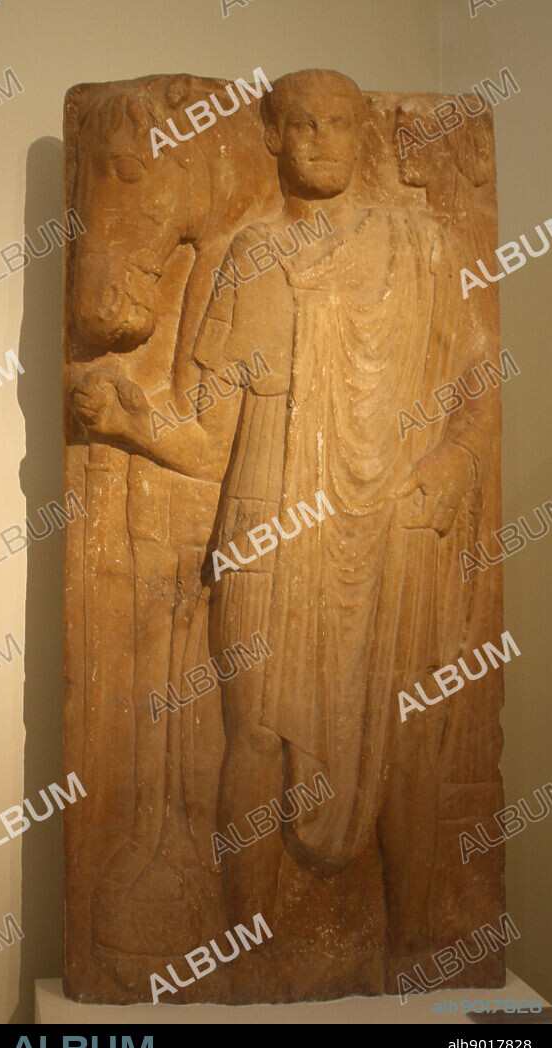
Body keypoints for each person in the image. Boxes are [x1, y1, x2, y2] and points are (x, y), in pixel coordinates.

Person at [73, 69, 488, 945]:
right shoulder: (241, 261)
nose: (321, 142)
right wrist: (132, 420)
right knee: (253, 732)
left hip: (393, 530)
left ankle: (412, 950)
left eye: (340, 125)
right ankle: (246, 950)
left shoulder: (421, 250)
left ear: (362, 137)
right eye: (302, 126)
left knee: (408, 738)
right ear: (273, 138)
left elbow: (478, 379)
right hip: (265, 524)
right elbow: (210, 438)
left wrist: (452, 463)